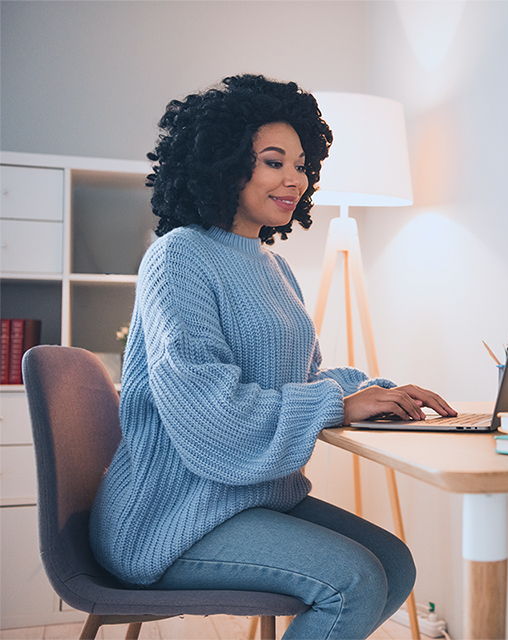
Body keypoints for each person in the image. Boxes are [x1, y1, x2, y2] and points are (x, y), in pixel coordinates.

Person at [90, 74, 456, 639]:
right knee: (353, 581)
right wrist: (338, 402)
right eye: (274, 161)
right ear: (225, 162)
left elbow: (304, 379)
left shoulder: (274, 267)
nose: (295, 179)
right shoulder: (177, 258)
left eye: (302, 165)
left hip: (250, 499)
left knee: (396, 565)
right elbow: (213, 415)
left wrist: (377, 391)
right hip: (170, 517)